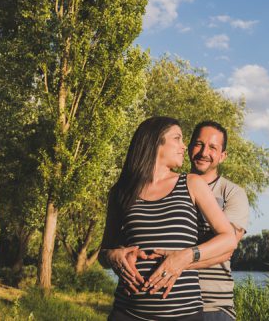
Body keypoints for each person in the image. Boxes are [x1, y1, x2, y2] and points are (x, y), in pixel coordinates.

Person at [101, 116, 237, 321]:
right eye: (177, 138)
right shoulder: (121, 191)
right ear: (155, 142)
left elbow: (228, 238)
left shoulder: (191, 183)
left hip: (184, 314)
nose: (184, 147)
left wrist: (186, 256)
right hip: (127, 313)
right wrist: (112, 256)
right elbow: (103, 253)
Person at [185, 121, 249, 321]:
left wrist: (174, 262)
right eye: (198, 144)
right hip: (172, 300)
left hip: (213, 306)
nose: (204, 152)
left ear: (223, 156)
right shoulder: (170, 187)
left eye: (212, 147)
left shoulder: (232, 193)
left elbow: (225, 248)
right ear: (188, 147)